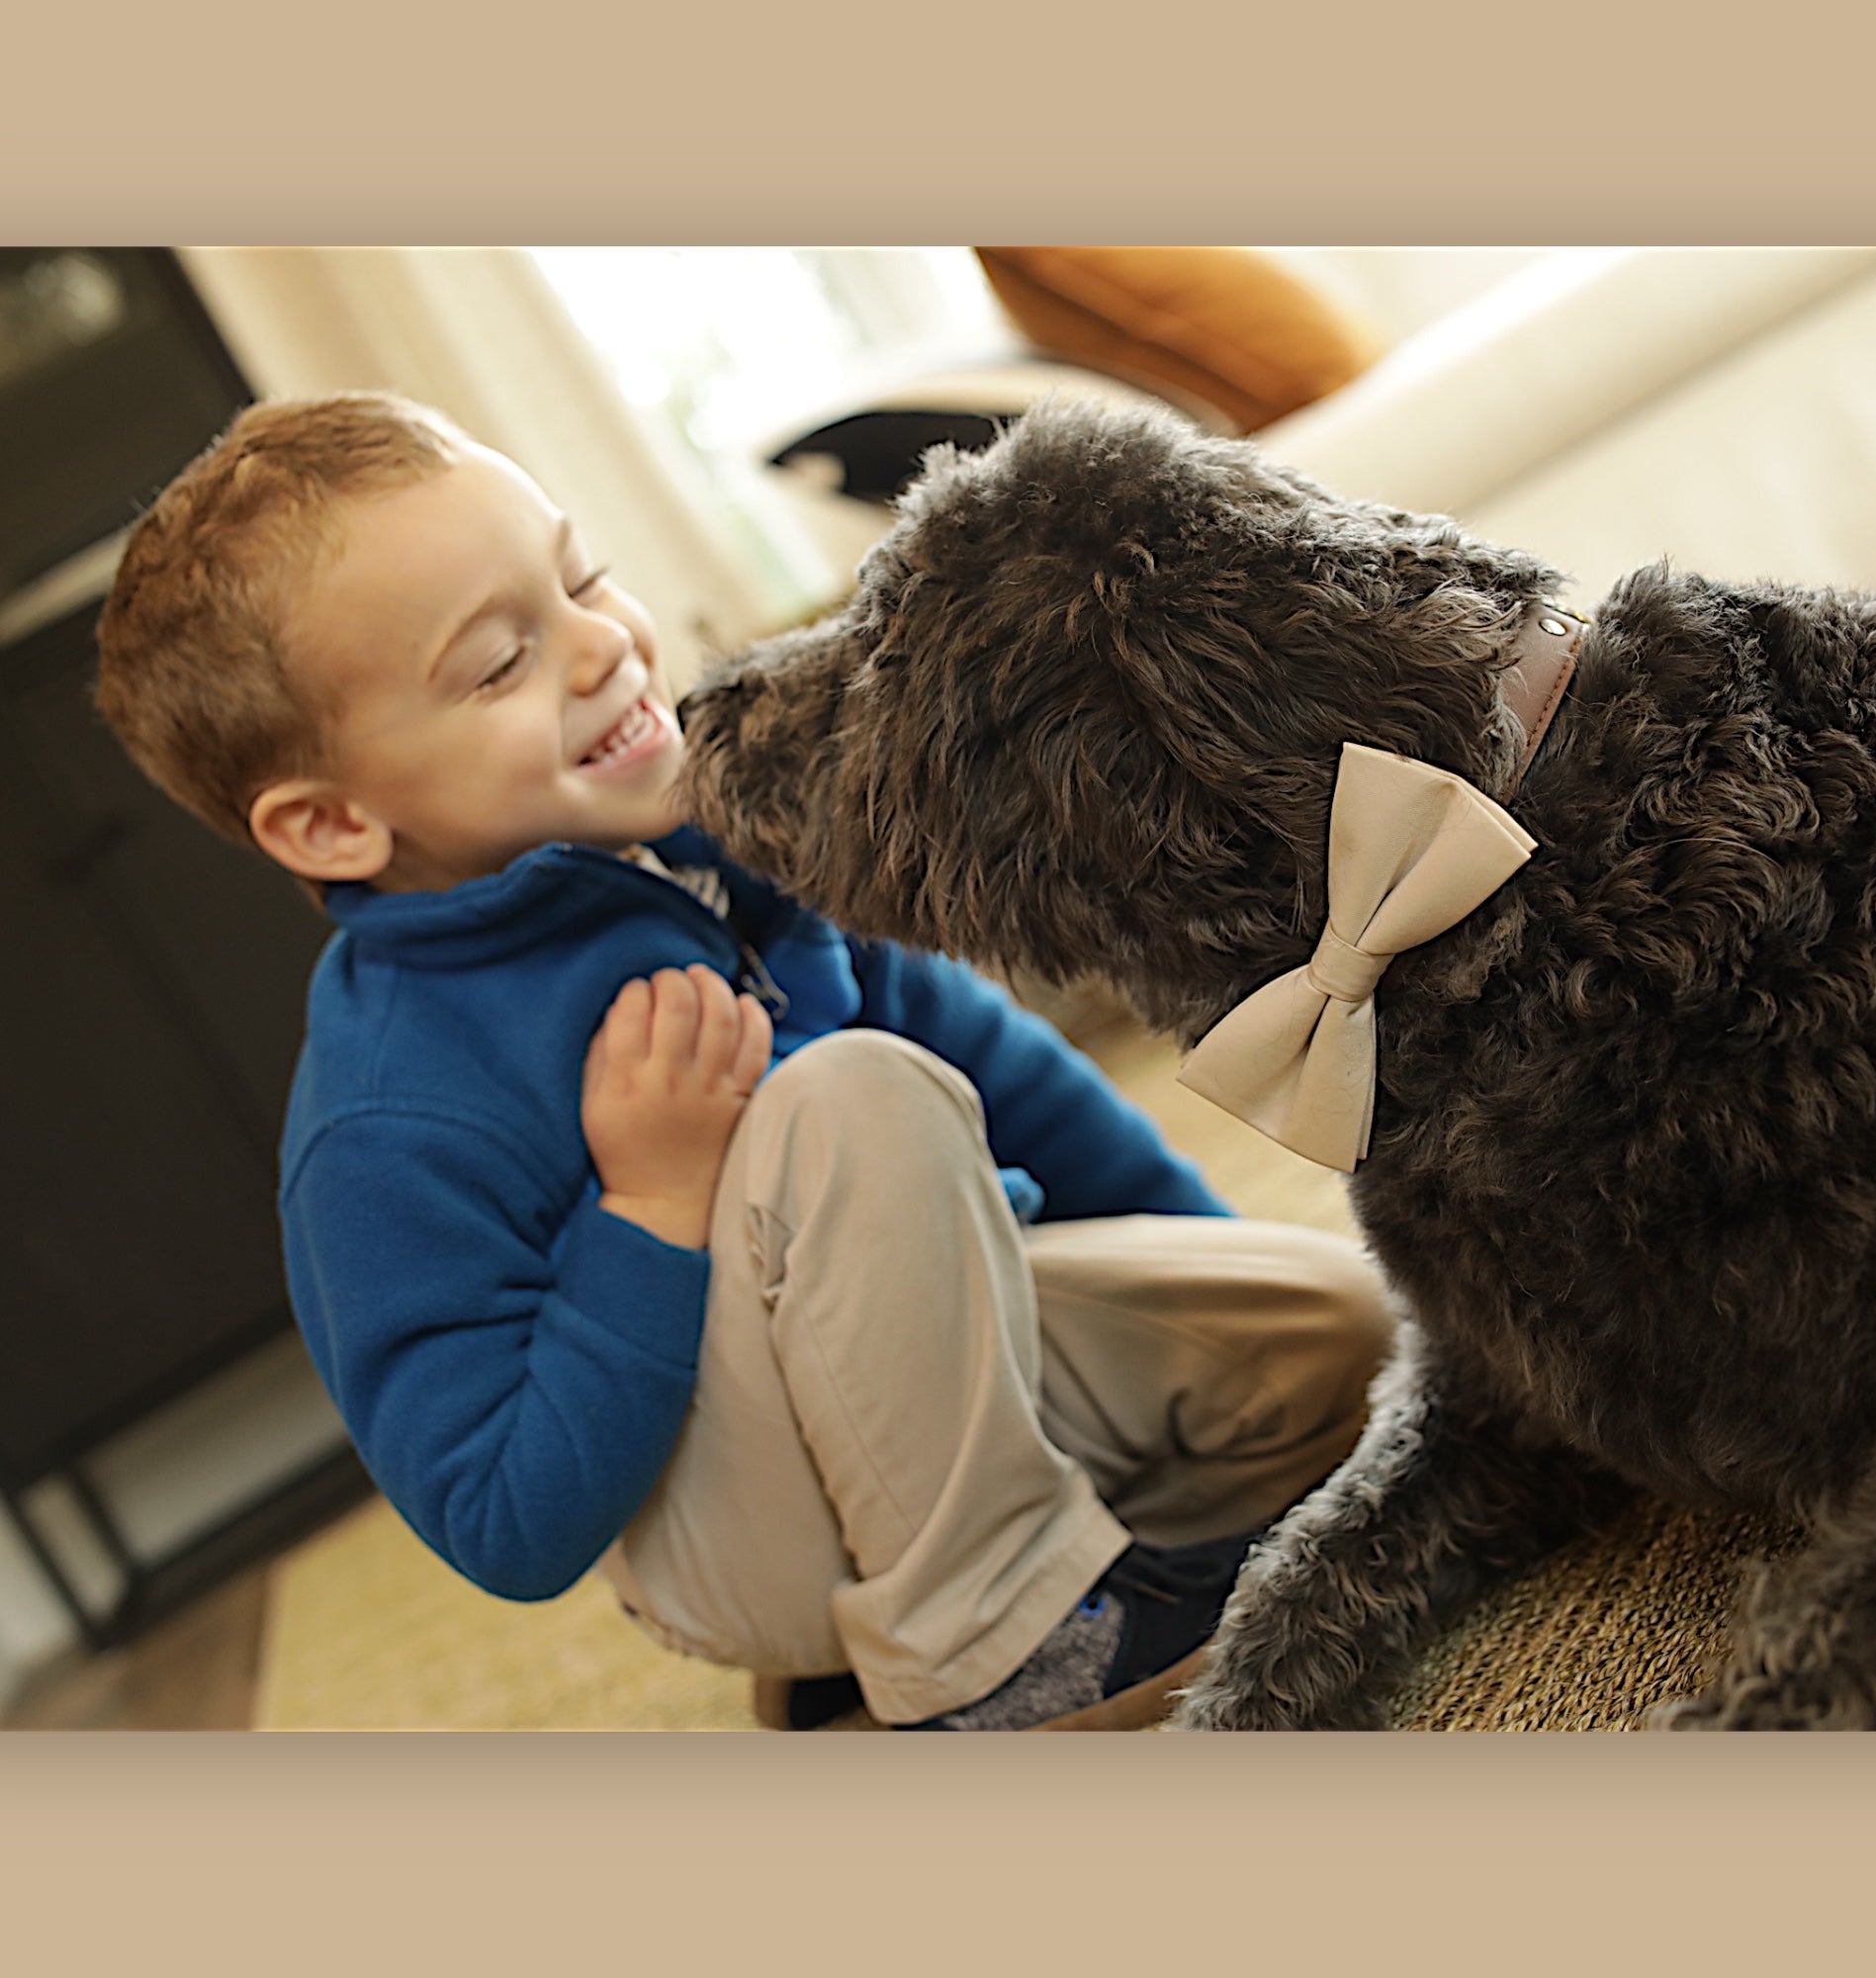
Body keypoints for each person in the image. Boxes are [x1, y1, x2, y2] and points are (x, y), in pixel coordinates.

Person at [93, 392, 1394, 1730]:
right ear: (331, 823)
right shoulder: (386, 1121)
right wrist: (648, 1205)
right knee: (846, 1096)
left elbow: (1007, 1075)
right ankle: (996, 1649)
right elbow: (502, 1521)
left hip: (981, 1361)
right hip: (736, 1532)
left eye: (580, 575)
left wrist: (1197, 1255)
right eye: (498, 664)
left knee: (1348, 1345)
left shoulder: (739, 843)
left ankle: (930, 1625)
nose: (601, 645)